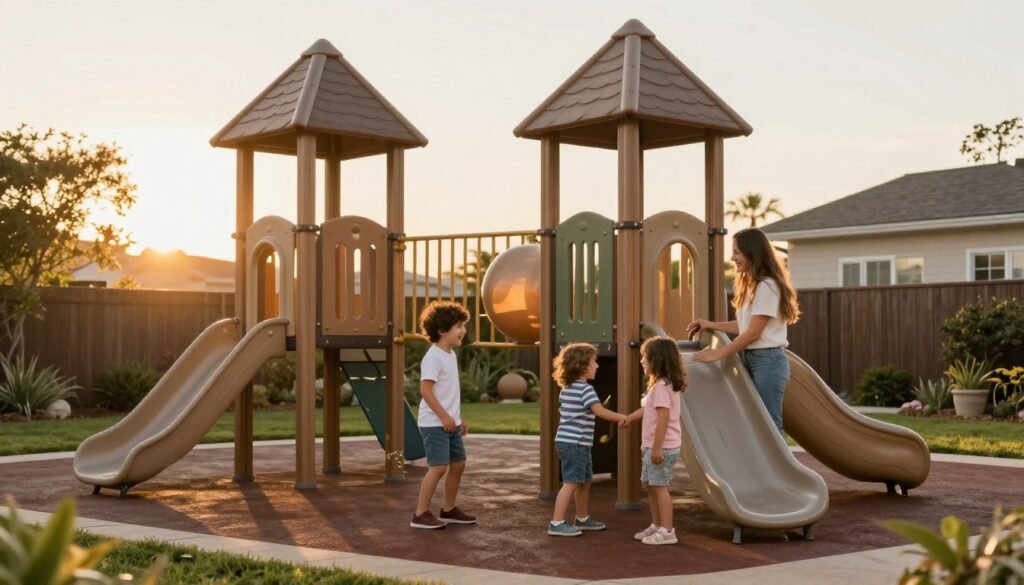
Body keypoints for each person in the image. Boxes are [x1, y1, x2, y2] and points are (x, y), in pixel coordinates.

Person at [687, 227, 800, 434]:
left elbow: (753, 334)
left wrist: (717, 354)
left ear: (752, 253)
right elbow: (745, 326)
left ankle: (774, 468)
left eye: (737, 252)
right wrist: (711, 324)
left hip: (768, 363)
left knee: (768, 426)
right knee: (754, 424)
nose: (732, 257)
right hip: (752, 359)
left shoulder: (768, 286)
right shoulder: (752, 286)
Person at [547, 343, 627, 536]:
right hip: (575, 444)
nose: (597, 366)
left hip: (573, 443)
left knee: (584, 481)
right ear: (581, 366)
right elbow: (598, 410)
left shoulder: (567, 389)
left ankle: (581, 518)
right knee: (572, 482)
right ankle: (556, 523)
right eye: (594, 362)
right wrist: (621, 417)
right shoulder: (585, 390)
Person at [410, 301, 477, 529]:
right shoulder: (433, 357)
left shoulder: (450, 355)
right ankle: (420, 513)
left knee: (458, 464)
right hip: (434, 423)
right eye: (458, 326)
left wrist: (457, 419)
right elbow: (425, 390)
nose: (463, 331)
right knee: (438, 467)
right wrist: (444, 418)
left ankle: (448, 509)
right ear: (441, 330)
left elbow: (448, 393)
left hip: (449, 423)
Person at [623, 336, 687, 545]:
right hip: (653, 446)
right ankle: (657, 524)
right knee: (650, 485)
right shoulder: (660, 385)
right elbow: (647, 409)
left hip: (661, 447)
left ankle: (668, 531)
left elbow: (663, 418)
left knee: (659, 487)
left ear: (657, 360)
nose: (641, 361)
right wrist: (630, 419)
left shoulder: (661, 386)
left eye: (645, 357)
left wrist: (657, 448)